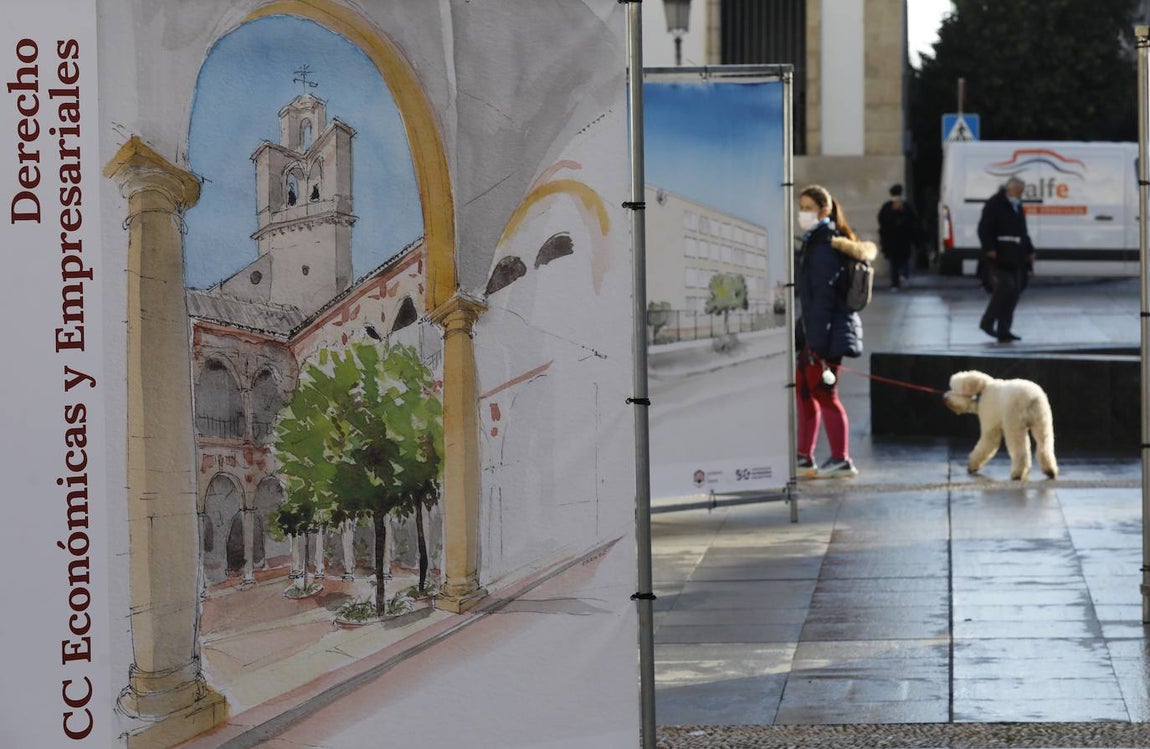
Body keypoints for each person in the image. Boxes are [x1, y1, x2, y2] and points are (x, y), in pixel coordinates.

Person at [795, 185, 877, 478]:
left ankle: (841, 458)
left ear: (824, 210)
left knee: (825, 393)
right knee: (805, 391)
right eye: (800, 206)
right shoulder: (815, 242)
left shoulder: (825, 246)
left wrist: (816, 344)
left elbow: (823, 298)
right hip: (817, 332)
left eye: (807, 207)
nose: (801, 213)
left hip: (826, 335)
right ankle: (804, 455)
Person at [977, 176, 1034, 342]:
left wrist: (1030, 250)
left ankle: (1004, 329)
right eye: (1020, 191)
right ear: (1011, 189)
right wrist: (989, 248)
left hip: (1016, 254)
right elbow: (984, 227)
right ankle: (988, 321)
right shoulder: (995, 203)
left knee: (1014, 291)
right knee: (1006, 287)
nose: (1021, 194)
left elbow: (1022, 231)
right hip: (1000, 253)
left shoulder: (1017, 206)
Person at [876, 183, 920, 290]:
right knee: (904, 261)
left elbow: (882, 222)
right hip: (904, 240)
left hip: (891, 240)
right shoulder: (906, 206)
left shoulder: (886, 207)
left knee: (893, 263)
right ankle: (904, 277)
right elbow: (913, 221)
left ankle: (894, 282)